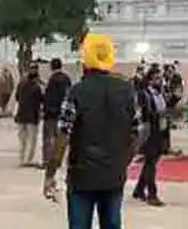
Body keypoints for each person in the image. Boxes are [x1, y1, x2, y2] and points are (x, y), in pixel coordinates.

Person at [43, 34, 142, 229]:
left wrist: (50, 173)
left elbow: (63, 136)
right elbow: (136, 134)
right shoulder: (127, 91)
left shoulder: (77, 92)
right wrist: (123, 161)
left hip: (82, 175)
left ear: (85, 60)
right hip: (114, 175)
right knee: (112, 223)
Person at [133, 66, 168, 207]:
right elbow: (142, 113)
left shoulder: (160, 93)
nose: (159, 81)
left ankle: (139, 189)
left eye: (160, 78)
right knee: (150, 162)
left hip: (160, 130)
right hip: (149, 130)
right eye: (157, 78)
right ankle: (152, 194)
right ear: (150, 79)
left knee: (152, 161)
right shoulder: (144, 94)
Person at [43, 58, 72, 167]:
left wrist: (46, 109)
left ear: (51, 67)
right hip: (63, 112)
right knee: (61, 138)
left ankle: (48, 160)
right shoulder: (66, 79)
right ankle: (58, 159)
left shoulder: (52, 80)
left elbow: (49, 97)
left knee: (48, 138)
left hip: (51, 113)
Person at [14, 65, 44, 168]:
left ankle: (21, 158)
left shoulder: (21, 85)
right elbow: (42, 100)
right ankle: (28, 159)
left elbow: (17, 97)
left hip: (21, 114)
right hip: (32, 116)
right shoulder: (37, 87)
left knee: (22, 139)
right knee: (32, 138)